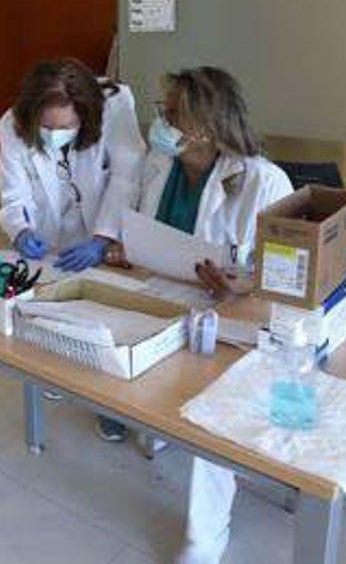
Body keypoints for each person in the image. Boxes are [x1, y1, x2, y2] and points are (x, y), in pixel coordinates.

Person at [137, 67, 293, 564]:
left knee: (213, 402)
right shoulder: (160, 164)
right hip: (165, 289)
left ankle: (206, 535)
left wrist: (241, 284)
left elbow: (288, 275)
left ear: (204, 125)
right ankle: (158, 425)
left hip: (234, 310)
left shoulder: (263, 181)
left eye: (170, 114)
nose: (158, 121)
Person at [0, 57, 146, 440]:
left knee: (111, 313)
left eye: (65, 127)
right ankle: (59, 373)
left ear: (86, 114)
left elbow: (128, 176)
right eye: (46, 127)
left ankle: (112, 403)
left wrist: (103, 237)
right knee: (55, 306)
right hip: (52, 232)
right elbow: (13, 194)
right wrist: (20, 230)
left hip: (103, 224)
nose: (54, 134)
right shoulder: (12, 125)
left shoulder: (115, 105)